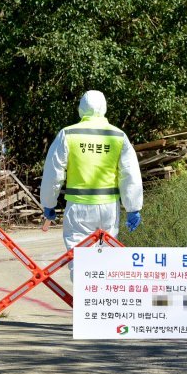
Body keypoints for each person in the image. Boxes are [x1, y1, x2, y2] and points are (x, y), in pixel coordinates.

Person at [40, 90, 143, 279]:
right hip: (109, 208)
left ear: (81, 109)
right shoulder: (118, 136)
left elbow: (53, 173)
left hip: (79, 206)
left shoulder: (68, 134)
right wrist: (133, 207)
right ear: (104, 108)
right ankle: (101, 305)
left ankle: (84, 305)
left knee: (80, 259)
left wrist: (48, 204)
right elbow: (129, 174)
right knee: (107, 259)